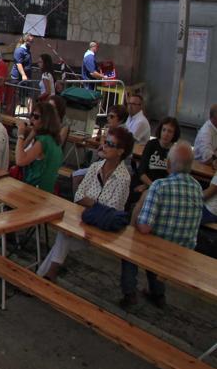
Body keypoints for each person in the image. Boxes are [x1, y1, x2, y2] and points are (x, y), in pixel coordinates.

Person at [37, 125, 132, 281]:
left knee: (64, 235)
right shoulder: (95, 167)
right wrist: (96, 206)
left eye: (110, 144)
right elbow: (78, 196)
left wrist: (90, 204)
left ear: (121, 151)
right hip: (86, 221)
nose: (104, 146)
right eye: (105, 142)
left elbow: (111, 210)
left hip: (105, 229)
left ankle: (44, 276)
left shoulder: (124, 178)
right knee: (64, 234)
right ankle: (46, 276)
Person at [121, 142, 204, 308]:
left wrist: (137, 210)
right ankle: (158, 294)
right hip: (185, 253)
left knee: (133, 244)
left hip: (160, 252)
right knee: (159, 241)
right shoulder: (198, 188)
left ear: (167, 164)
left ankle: (129, 294)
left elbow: (144, 227)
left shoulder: (159, 186)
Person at [14, 101, 63, 192]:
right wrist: (31, 134)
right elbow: (21, 151)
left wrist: (20, 135)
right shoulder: (54, 139)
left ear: (46, 120)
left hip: (36, 190)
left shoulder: (44, 140)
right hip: (47, 189)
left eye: (36, 117)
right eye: (31, 115)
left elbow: (20, 161)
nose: (31, 119)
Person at [136, 117, 180, 193]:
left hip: (163, 188)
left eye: (170, 131)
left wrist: (152, 187)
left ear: (174, 134)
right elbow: (141, 171)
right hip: (146, 181)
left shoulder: (176, 151)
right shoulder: (151, 144)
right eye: (164, 130)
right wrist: (150, 185)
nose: (166, 134)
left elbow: (174, 178)